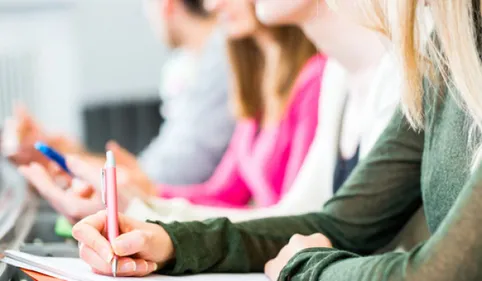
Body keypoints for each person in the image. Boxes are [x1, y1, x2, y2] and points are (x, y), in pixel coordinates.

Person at [73, 0, 482, 280]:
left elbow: (439, 272)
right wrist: (167, 240)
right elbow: (338, 223)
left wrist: (309, 267)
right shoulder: (441, 53)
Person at [121, 0, 405, 223]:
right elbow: (227, 191)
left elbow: (302, 219)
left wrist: (150, 206)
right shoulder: (260, 87)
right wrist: (147, 197)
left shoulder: (320, 77)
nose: (212, 6)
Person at [4, 0, 234, 185]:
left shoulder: (220, 59)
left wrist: (69, 160)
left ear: (167, 4)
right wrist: (67, 153)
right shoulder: (189, 64)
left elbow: (172, 173)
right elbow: (156, 166)